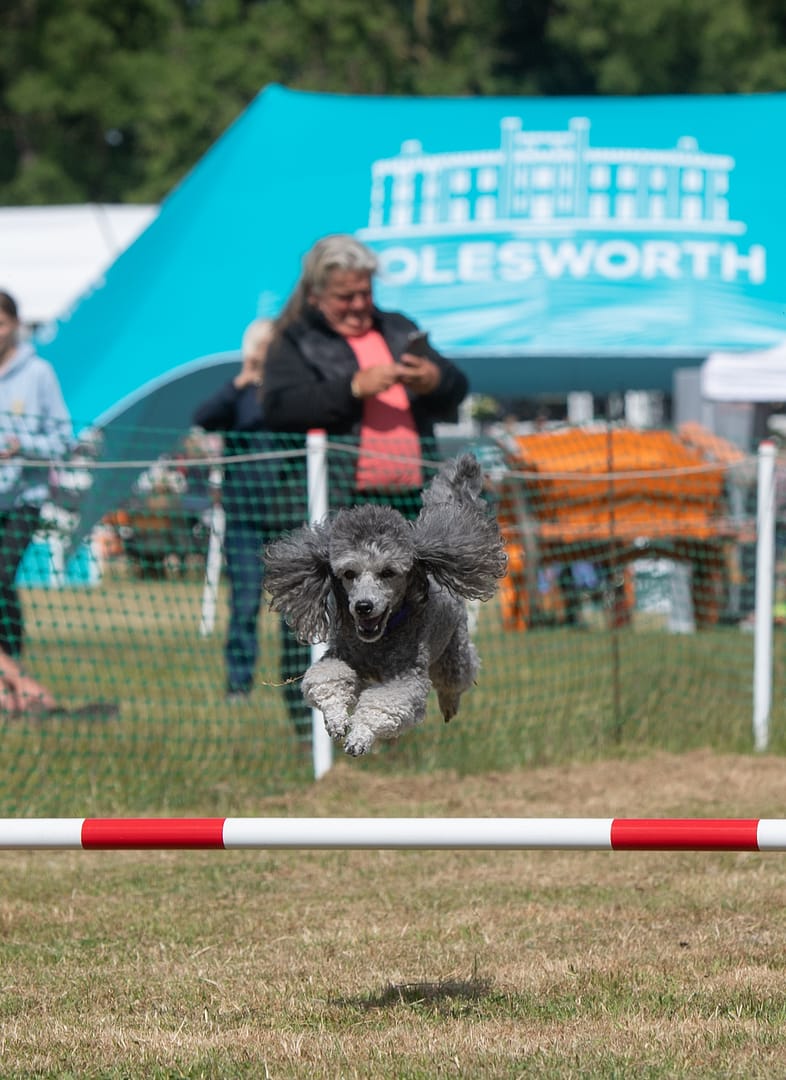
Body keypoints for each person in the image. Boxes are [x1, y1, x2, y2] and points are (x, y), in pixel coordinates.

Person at [261, 233, 470, 707]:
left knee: (416, 615)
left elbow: (456, 386)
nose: (359, 305)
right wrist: (352, 386)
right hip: (335, 504)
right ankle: (312, 726)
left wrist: (434, 380)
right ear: (316, 296)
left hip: (405, 503)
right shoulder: (295, 341)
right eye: (345, 296)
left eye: (365, 293)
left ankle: (392, 720)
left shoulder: (398, 329)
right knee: (321, 615)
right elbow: (278, 407)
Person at [193, 320, 312, 736]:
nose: (265, 351)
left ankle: (297, 680)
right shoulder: (237, 392)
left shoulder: (291, 392)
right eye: (259, 345)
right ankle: (237, 683)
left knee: (292, 611)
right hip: (243, 515)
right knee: (243, 603)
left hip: (285, 514)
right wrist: (240, 382)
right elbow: (204, 417)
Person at [0, 290, 73, 659]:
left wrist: (21, 447)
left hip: (24, 499)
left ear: (15, 324)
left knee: (1, 577)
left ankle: (12, 660)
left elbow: (63, 441)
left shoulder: (38, 373)